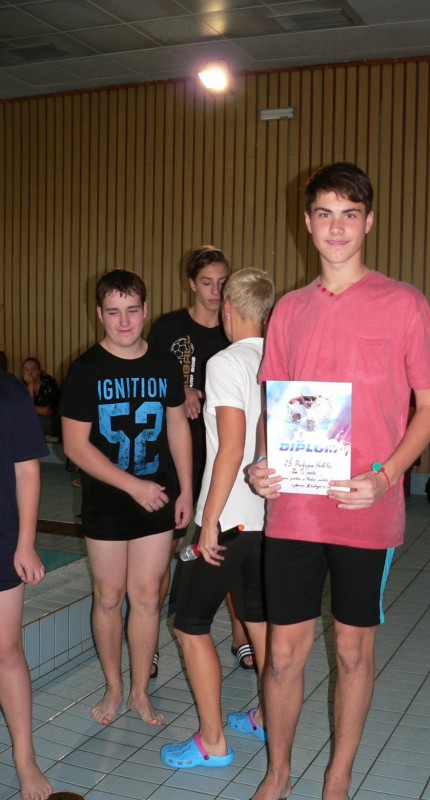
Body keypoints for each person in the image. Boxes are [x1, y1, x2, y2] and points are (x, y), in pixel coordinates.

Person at [248, 162, 430, 800]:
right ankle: (278, 773)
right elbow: (274, 405)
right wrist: (262, 462)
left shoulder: (405, 303)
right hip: (295, 510)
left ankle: (338, 776)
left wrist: (386, 478)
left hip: (367, 508)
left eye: (350, 214)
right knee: (283, 654)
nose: (337, 228)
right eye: (325, 214)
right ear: (307, 224)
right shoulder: (289, 310)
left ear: (370, 222)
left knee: (353, 652)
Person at [60, 269, 193, 726]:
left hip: (157, 498)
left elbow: (177, 426)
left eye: (132, 311)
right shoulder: (86, 370)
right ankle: (114, 687)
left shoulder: (163, 364)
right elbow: (75, 446)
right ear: (99, 314)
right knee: (109, 596)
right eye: (114, 312)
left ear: (144, 310)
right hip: (108, 502)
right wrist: (133, 486)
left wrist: (187, 490)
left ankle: (139, 691)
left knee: (148, 597)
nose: (123, 322)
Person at [160, 268, 275, 769]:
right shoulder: (280, 358)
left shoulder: (226, 361)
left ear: (228, 308)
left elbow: (231, 448)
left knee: (189, 624)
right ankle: (267, 717)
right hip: (267, 517)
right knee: (258, 621)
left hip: (228, 518)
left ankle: (212, 742)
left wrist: (209, 521)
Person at [148, 246, 254, 675]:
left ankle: (241, 635)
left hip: (223, 456)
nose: (215, 291)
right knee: (166, 550)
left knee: (225, 548)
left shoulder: (235, 331)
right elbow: (148, 378)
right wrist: (180, 391)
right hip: (175, 455)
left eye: (223, 283)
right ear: (191, 283)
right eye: (207, 283)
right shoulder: (168, 328)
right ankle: (149, 643)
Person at [0, 371, 53, 800]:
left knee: (6, 649)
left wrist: (26, 543)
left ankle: (24, 756)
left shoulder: (9, 392)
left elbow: (27, 470)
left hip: (1, 537)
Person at [22, 357, 61, 441]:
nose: (30, 373)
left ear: (39, 371)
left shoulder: (48, 382)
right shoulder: (21, 385)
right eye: (27, 370)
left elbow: (47, 411)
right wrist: (30, 385)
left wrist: (29, 409)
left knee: (30, 422)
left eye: (33, 369)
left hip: (51, 417)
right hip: (32, 417)